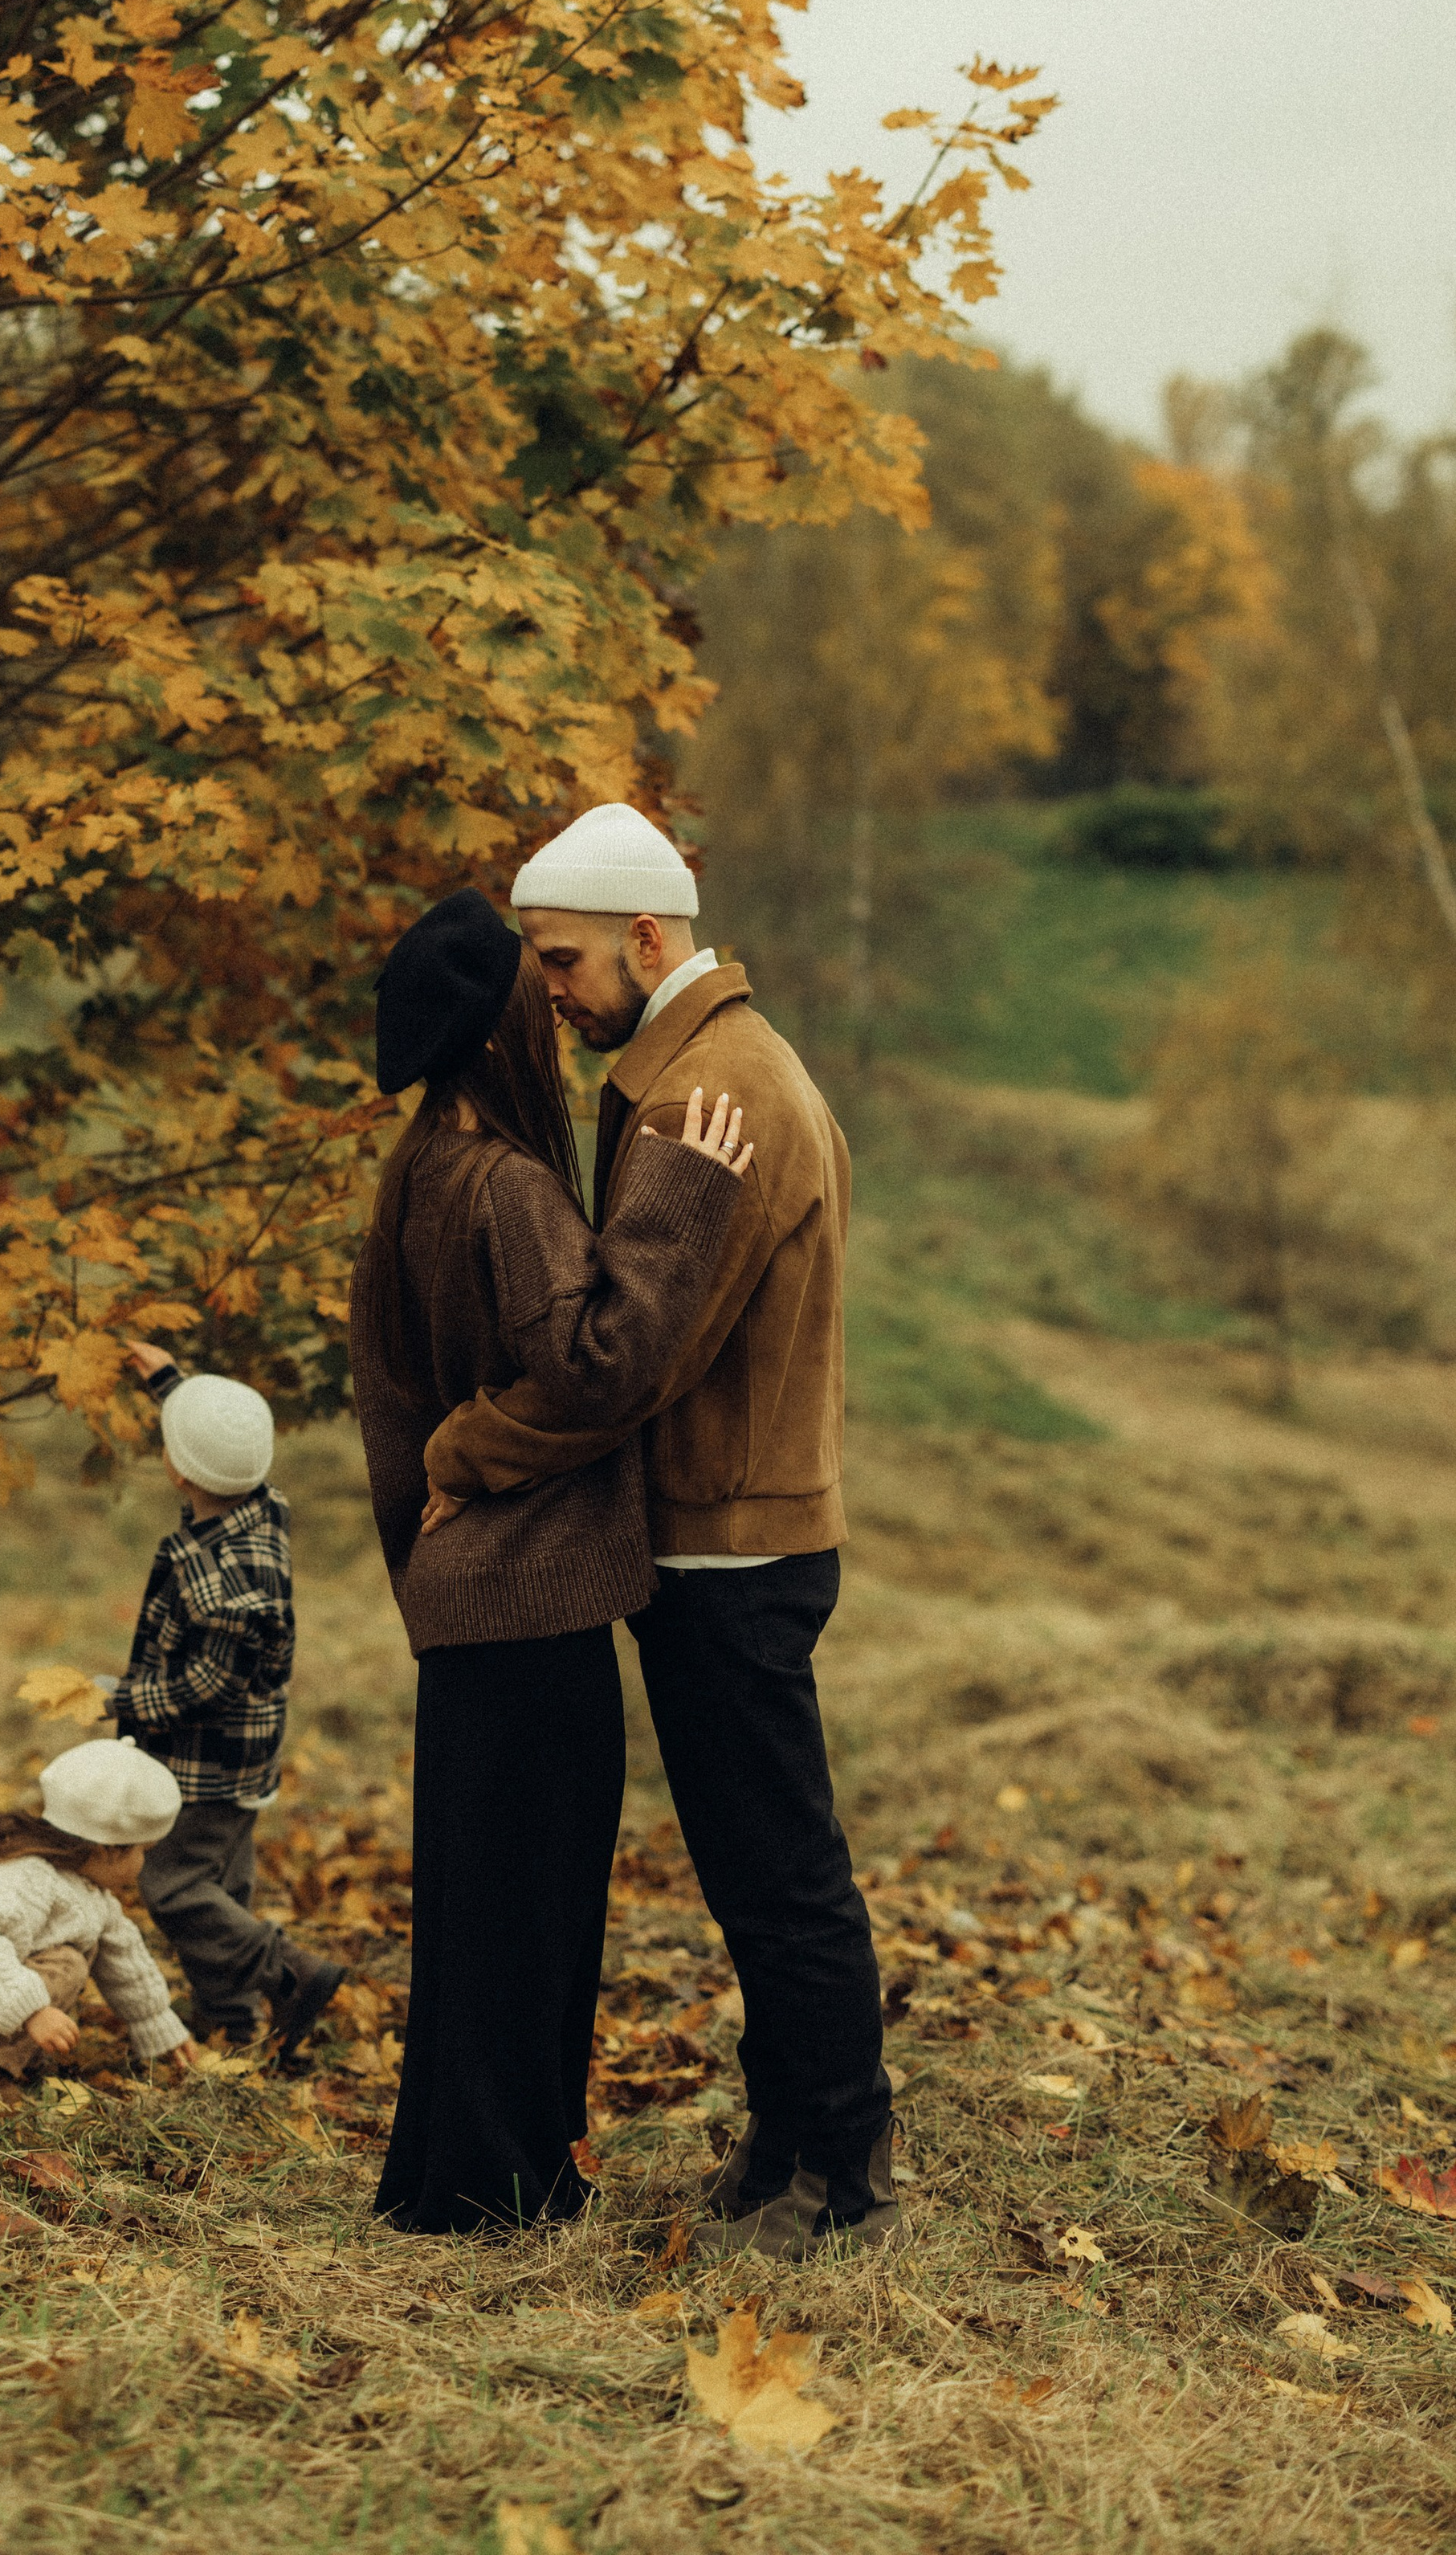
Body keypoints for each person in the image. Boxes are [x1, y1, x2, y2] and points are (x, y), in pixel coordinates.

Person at [421, 803, 897, 2263]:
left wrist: (468, 1451)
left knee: (780, 1869)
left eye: (562, 960)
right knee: (754, 1862)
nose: (547, 991)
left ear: (647, 936)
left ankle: (845, 2170)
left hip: (731, 1551)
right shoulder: (700, 1073)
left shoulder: (715, 1100)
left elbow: (620, 1355)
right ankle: (787, 2141)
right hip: (720, 1536)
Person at [351, 884, 753, 2233]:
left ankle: (453, 2177)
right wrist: (684, 1197)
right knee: (537, 1908)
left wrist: (428, 1524)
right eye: (541, 992)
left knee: (474, 1905)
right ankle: (510, 2189)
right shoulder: (509, 1188)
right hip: (535, 1605)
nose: (560, 1007)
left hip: (462, 1598)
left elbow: (388, 1400)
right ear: (505, 1033)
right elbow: (601, 1364)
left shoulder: (416, 1172)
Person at [101, 1355, 345, 2060]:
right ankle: (233, 2019)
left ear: (177, 1473)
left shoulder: (218, 1578)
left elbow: (212, 1684)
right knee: (222, 1885)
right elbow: (215, 1447)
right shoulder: (259, 1506)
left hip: (201, 1764)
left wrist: (123, 1699)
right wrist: (169, 1382)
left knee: (173, 1886)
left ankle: (291, 1973)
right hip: (245, 1762)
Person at [0, 1737, 196, 2096]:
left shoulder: (85, 1888)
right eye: (144, 1851)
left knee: (68, 1961)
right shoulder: (23, 1876)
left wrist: (156, 2024)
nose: (144, 1865)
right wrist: (31, 2013)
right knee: (66, 1964)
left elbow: (124, 1958)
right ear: (109, 1848)